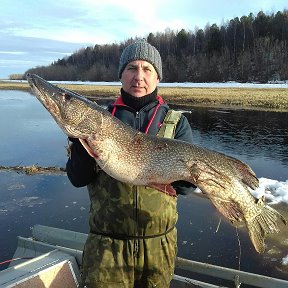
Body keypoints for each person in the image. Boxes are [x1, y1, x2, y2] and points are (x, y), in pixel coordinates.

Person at [66, 40, 196, 288]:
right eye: (131, 68)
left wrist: (177, 174)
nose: (139, 77)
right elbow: (77, 178)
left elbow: (185, 189)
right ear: (121, 75)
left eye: (147, 69)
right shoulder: (100, 119)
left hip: (159, 246)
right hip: (107, 247)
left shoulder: (176, 123)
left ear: (157, 77)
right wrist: (80, 141)